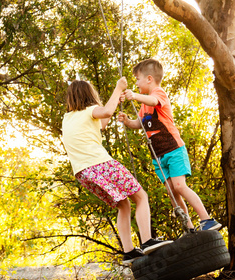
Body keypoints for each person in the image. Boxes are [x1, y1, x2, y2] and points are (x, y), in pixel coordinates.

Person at [62, 77, 172, 264]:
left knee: (124, 205)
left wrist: (116, 100)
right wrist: (117, 88)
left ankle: (129, 251)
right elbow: (105, 111)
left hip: (83, 173)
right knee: (140, 197)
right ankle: (147, 241)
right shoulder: (90, 110)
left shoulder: (67, 118)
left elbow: (102, 123)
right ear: (89, 95)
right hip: (100, 164)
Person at [118, 59, 221, 231]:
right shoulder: (144, 105)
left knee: (180, 186)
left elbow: (154, 102)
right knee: (172, 193)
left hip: (173, 150)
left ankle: (207, 219)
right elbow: (140, 123)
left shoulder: (159, 93)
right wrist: (128, 121)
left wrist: (134, 96)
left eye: (137, 79)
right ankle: (189, 227)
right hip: (158, 155)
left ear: (149, 79)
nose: (136, 83)